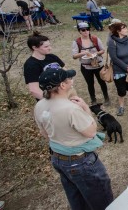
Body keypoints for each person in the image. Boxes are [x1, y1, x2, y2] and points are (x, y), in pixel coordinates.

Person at [34, 68, 113, 210]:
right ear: (63, 86)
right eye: (68, 79)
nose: (72, 81)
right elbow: (91, 131)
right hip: (79, 162)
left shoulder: (39, 105)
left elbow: (45, 133)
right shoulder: (71, 109)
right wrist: (85, 108)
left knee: (76, 197)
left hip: (58, 159)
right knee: (101, 198)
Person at [72, 22, 109, 106]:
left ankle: (106, 98)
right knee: (90, 84)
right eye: (83, 30)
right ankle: (93, 100)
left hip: (98, 65)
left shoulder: (95, 39)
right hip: (86, 67)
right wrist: (84, 53)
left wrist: (95, 54)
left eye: (87, 29)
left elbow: (102, 50)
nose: (86, 31)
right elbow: (74, 56)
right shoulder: (77, 42)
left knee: (102, 82)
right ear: (79, 31)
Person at [24, 31, 65, 100]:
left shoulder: (52, 57)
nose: (50, 48)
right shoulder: (31, 65)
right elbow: (34, 90)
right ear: (35, 48)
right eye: (46, 46)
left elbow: (65, 71)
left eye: (49, 45)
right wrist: (51, 101)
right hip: (50, 100)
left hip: (63, 94)